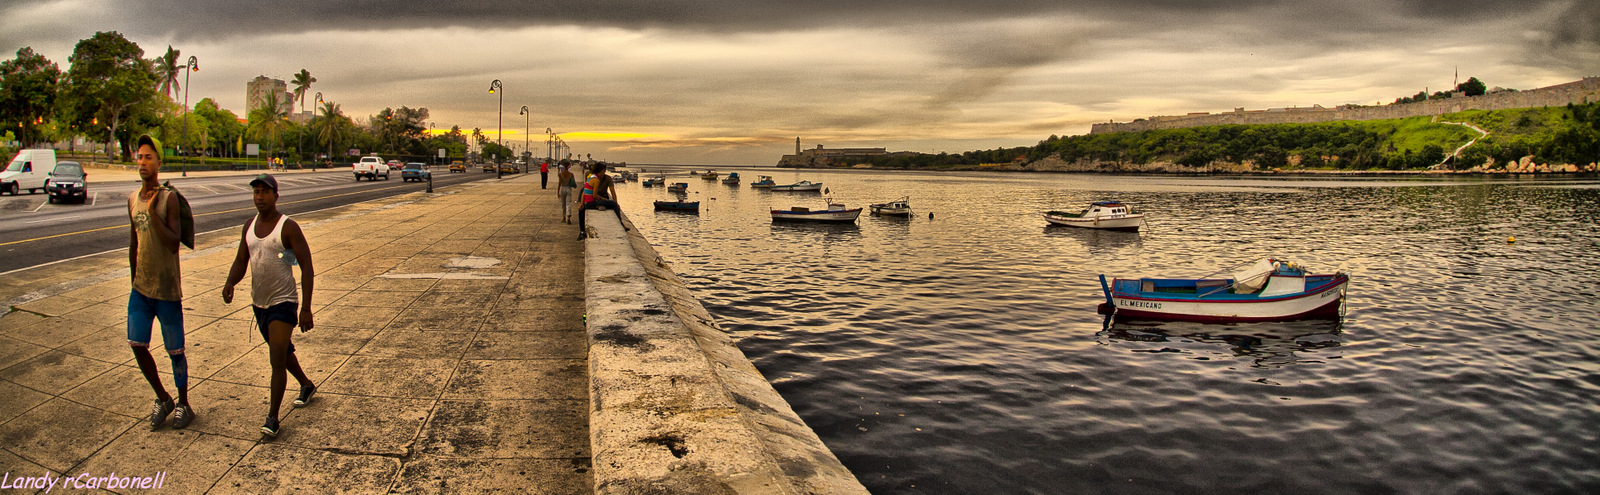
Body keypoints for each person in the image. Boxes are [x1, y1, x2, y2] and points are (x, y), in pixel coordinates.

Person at [222, 173, 318, 439]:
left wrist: (306, 308)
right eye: (256, 192)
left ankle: (273, 418)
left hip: (283, 303)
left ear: (276, 195)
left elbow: (307, 267)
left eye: (265, 192)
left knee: (276, 358)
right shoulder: (248, 226)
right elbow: (242, 259)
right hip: (259, 303)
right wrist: (230, 282)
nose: (259, 197)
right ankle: (306, 384)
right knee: (282, 353)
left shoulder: (288, 227)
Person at [126, 134, 195, 430]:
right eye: (140, 157)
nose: (143, 162)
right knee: (136, 343)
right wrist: (133, 279)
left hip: (167, 290)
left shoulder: (169, 199)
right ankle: (162, 397)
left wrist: (154, 214)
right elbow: (133, 244)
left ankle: (183, 403)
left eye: (149, 157)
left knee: (175, 350)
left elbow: (173, 243)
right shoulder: (131, 199)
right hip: (141, 289)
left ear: (159, 162)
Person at [577, 162, 623, 240]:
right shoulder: (596, 180)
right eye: (604, 170)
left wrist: (582, 203)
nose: (604, 172)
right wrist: (602, 199)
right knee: (613, 204)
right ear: (601, 171)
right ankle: (621, 224)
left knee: (581, 211)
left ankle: (582, 232)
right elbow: (594, 195)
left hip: (587, 202)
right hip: (592, 202)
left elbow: (584, 192)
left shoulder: (590, 177)